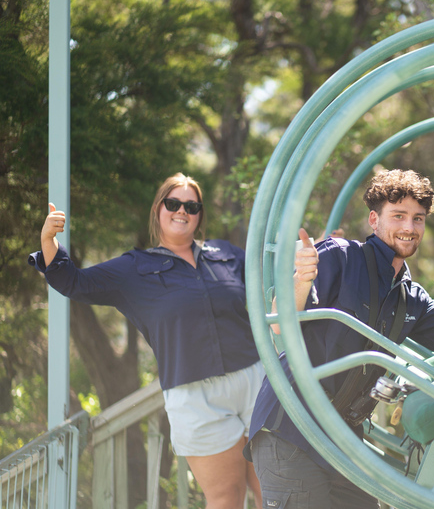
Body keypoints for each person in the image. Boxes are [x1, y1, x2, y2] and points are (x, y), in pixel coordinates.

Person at [245, 169, 434, 509]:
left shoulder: (411, 297)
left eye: (418, 219)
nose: (409, 227)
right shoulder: (340, 255)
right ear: (374, 219)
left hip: (341, 435)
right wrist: (302, 278)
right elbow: (280, 323)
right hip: (294, 427)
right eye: (399, 216)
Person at [30, 173, 263, 509]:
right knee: (226, 499)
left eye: (191, 205)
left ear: (199, 215)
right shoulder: (133, 269)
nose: (181, 210)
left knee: (273, 492)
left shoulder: (226, 253)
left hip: (255, 383)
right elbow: (74, 282)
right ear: (159, 209)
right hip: (197, 399)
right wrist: (49, 240)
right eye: (173, 203)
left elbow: (269, 286)